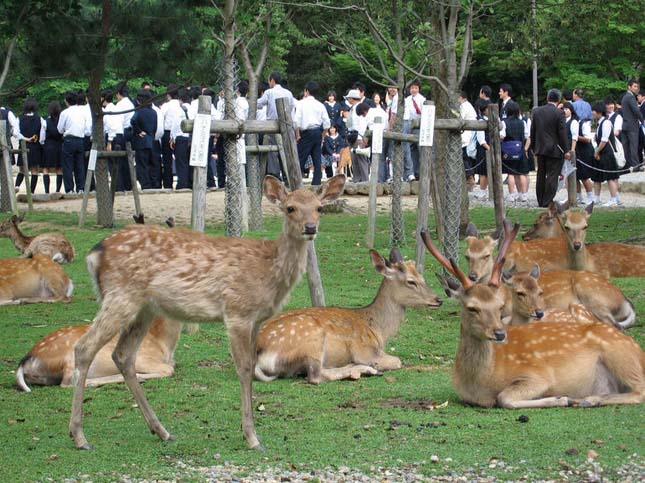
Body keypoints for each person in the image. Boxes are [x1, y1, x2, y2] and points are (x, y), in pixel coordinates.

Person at [530, 88, 568, 207]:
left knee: (541, 174)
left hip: (540, 147)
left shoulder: (537, 112)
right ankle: (547, 200)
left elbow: (533, 131)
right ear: (558, 100)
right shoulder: (559, 113)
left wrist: (533, 147)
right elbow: (562, 133)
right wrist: (566, 149)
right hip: (554, 148)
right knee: (552, 175)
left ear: (547, 98)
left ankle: (540, 199)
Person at [256, 71, 295, 181]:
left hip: (273, 125)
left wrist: (252, 101)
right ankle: (288, 177)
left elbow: (259, 104)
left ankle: (275, 176)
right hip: (286, 125)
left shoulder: (269, 92)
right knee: (287, 150)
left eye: (269, 80)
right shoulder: (288, 93)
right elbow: (292, 107)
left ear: (272, 80)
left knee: (272, 152)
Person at [294, 81, 330, 186]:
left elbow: (296, 121)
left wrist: (297, 134)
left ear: (306, 91)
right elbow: (327, 123)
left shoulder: (300, 103)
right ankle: (316, 182)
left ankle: (297, 181)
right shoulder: (320, 105)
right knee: (317, 157)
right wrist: (322, 135)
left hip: (306, 132)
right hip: (318, 131)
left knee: (301, 157)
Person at [591, 102, 622, 207]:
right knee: (597, 176)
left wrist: (597, 151)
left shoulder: (606, 123)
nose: (592, 113)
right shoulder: (600, 123)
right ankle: (596, 197)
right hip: (601, 153)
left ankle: (613, 199)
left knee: (611, 176)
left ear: (599, 112)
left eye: (594, 111)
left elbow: (604, 140)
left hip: (606, 153)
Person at [58, 91, 89, 193]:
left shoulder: (64, 113)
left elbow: (60, 129)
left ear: (67, 101)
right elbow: (87, 128)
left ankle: (69, 189)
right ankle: (81, 188)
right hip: (80, 140)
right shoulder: (82, 112)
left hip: (69, 139)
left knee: (67, 166)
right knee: (80, 165)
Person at [563, 101, 594, 204]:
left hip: (577, 152)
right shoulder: (564, 121)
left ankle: (590, 196)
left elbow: (574, 137)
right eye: (564, 109)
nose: (565, 111)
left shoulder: (574, 122)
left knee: (583, 176)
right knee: (573, 176)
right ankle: (577, 196)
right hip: (566, 150)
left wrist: (572, 150)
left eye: (567, 109)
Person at [500, 100, 530, 203]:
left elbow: (502, 136)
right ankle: (524, 194)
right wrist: (525, 148)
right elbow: (527, 136)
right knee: (522, 172)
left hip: (508, 150)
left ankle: (512, 194)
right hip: (520, 149)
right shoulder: (522, 122)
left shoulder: (504, 122)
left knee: (511, 173)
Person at [15, 98, 45, 193]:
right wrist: (39, 141)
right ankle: (31, 192)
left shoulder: (19, 118)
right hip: (35, 146)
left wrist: (25, 138)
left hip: (23, 145)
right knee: (34, 170)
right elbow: (43, 132)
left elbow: (15, 133)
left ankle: (17, 185)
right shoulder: (40, 119)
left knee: (22, 170)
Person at [130, 89, 158, 190]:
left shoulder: (138, 111)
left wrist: (138, 131)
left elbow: (132, 121)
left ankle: (145, 184)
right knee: (152, 163)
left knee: (142, 164)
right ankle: (153, 183)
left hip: (141, 140)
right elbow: (155, 127)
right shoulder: (154, 112)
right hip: (151, 139)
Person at [402, 79, 425, 181]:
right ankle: (414, 172)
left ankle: (422, 172)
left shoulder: (422, 99)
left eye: (415, 88)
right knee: (411, 151)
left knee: (421, 150)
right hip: (409, 125)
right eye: (412, 88)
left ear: (419, 89)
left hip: (419, 126)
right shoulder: (407, 99)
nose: (414, 90)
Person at [170, 89, 193, 190]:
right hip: (191, 139)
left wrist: (172, 138)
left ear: (180, 100)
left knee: (181, 162)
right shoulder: (193, 109)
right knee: (190, 162)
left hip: (181, 138)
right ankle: (190, 182)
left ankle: (182, 183)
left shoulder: (178, 110)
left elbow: (175, 125)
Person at [115, 84, 135, 191]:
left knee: (120, 160)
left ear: (118, 93)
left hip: (123, 132)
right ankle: (128, 184)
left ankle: (120, 185)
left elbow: (119, 121)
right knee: (128, 159)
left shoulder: (120, 105)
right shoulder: (130, 103)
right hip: (130, 131)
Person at [620, 79, 644, 170]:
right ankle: (636, 166)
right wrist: (642, 120)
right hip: (632, 125)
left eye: (637, 87)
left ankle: (629, 165)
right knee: (634, 146)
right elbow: (636, 111)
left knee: (626, 147)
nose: (636, 88)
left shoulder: (624, 97)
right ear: (629, 87)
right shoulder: (630, 97)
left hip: (625, 124)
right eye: (634, 86)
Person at [42, 101, 64, 193]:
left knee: (45, 169)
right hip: (59, 146)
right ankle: (57, 190)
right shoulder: (61, 121)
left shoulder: (45, 122)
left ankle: (47, 191)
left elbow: (42, 136)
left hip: (48, 147)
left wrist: (42, 143)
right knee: (59, 169)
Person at [458, 91, 478, 190]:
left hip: (467, 135)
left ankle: (470, 177)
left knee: (465, 158)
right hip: (469, 134)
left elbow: (460, 118)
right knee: (466, 158)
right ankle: (470, 177)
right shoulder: (468, 106)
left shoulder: (464, 106)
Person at [472, 100, 491, 201]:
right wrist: (490, 149)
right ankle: (483, 192)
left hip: (490, 148)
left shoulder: (494, 119)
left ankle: (487, 191)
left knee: (488, 172)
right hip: (484, 149)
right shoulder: (480, 121)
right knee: (483, 172)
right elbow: (481, 140)